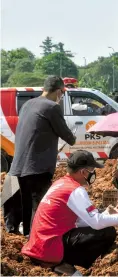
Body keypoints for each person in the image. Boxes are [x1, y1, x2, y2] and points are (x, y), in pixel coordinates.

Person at [21, 150, 118, 276]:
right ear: (84, 172)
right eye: (92, 170)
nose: (94, 173)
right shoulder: (75, 190)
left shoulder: (60, 183)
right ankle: (63, 263)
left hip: (38, 245)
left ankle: (62, 263)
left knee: (100, 225)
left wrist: (106, 214)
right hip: (50, 250)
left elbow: (79, 221)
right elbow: (95, 223)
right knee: (107, 232)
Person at [9, 75, 76, 236]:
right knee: (39, 207)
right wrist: (71, 137)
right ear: (60, 91)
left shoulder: (28, 104)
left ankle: (27, 236)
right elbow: (68, 137)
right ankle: (37, 244)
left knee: (26, 205)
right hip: (38, 167)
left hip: (19, 165)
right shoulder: (52, 107)